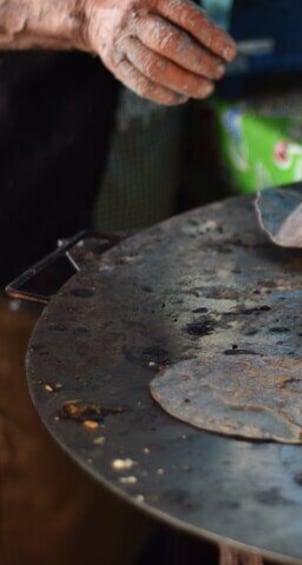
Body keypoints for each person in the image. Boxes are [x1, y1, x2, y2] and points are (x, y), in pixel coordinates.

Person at [0, 2, 236, 563]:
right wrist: (83, 15)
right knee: (62, 520)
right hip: (22, 247)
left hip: (154, 242)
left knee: (154, 504)